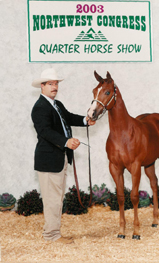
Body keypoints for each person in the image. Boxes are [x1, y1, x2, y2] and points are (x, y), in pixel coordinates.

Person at [31, 68, 95, 244]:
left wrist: (85, 120)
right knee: (52, 200)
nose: (54, 87)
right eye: (50, 84)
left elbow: (69, 117)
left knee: (57, 198)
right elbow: (45, 131)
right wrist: (66, 142)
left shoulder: (56, 104)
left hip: (58, 159)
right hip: (49, 160)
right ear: (42, 86)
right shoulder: (39, 108)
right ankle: (51, 236)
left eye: (56, 83)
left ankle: (53, 233)